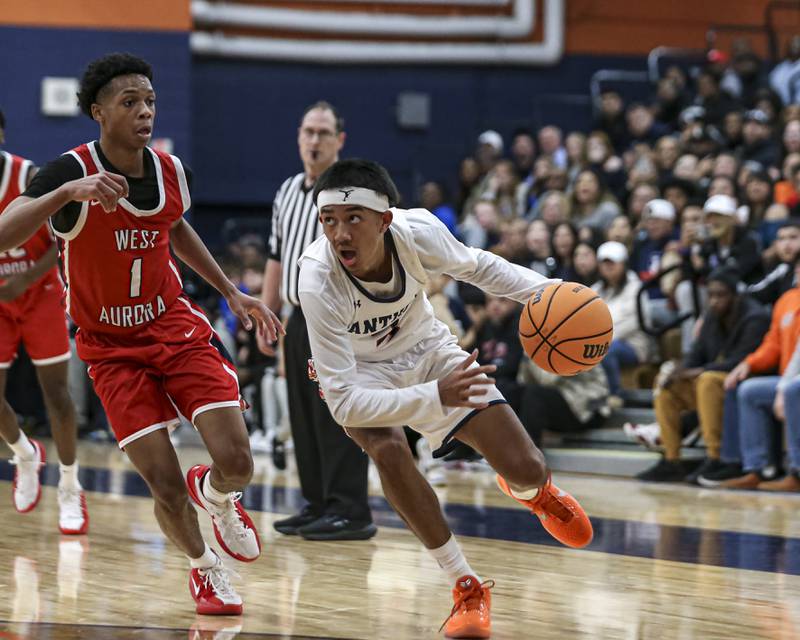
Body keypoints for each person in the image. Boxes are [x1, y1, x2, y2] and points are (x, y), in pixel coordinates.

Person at [0, 53, 283, 615]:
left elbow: (174, 226)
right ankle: (206, 570)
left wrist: (230, 291)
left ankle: (216, 494)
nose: (145, 111)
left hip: (173, 326)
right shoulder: (66, 171)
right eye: (130, 102)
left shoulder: (173, 171)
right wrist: (65, 195)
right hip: (110, 349)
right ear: (98, 112)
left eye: (150, 100)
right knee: (164, 485)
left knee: (237, 460)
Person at [298, 158, 593, 638]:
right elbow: (345, 403)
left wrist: (551, 293)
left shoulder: (416, 232)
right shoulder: (316, 278)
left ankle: (533, 492)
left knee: (528, 467)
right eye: (328, 220)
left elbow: (479, 267)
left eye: (353, 219)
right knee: (388, 450)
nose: (340, 233)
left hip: (427, 349)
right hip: (361, 372)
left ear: (384, 220)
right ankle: (465, 585)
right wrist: (434, 396)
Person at [257, 102, 374, 541]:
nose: (314, 140)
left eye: (324, 133)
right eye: (308, 131)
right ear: (298, 136)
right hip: (296, 317)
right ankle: (318, 502)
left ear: (339, 140)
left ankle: (350, 509)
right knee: (304, 415)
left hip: (338, 317)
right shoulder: (288, 190)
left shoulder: (351, 191)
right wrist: (267, 312)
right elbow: (276, 256)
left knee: (335, 414)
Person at [0, 110, 87, 535]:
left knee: (57, 395)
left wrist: (27, 278)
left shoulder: (27, 175)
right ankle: (24, 453)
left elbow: (63, 239)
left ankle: (70, 485)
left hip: (40, 293)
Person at [635, 268, 770, 482]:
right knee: (667, 385)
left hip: (745, 379)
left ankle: (715, 457)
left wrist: (697, 371)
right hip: (715, 381)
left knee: (707, 380)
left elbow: (741, 360)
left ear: (735, 296)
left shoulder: (755, 317)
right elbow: (696, 353)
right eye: (711, 295)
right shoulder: (711, 316)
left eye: (721, 295)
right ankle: (671, 459)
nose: (714, 301)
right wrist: (680, 372)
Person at [592, 241, 652, 406]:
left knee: (606, 349)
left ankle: (615, 395)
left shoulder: (637, 289)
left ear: (623, 264)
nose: (608, 267)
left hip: (633, 345)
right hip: (599, 341)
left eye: (612, 262)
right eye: (604, 263)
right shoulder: (594, 290)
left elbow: (633, 323)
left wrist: (598, 339)